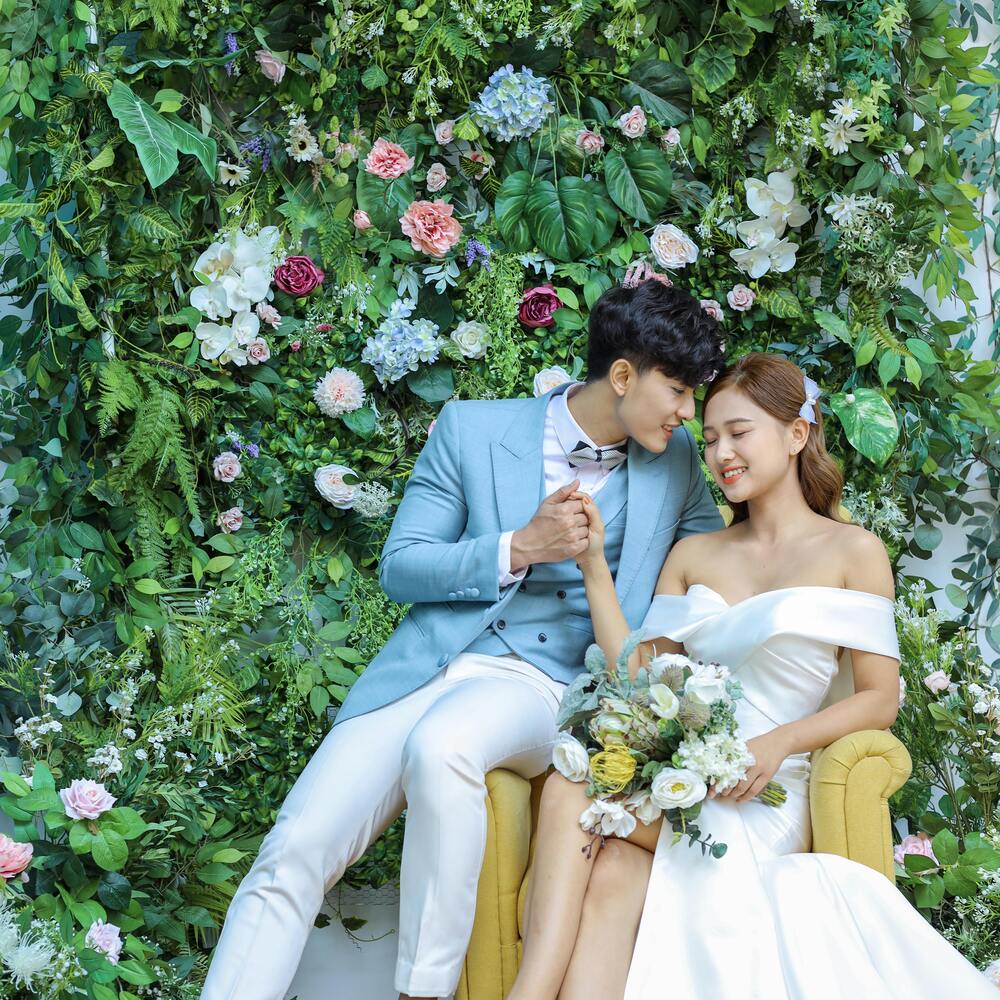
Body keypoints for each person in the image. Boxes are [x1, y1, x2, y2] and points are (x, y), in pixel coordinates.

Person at [200, 279, 726, 1000]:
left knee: (445, 744)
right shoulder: (471, 427)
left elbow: (718, 572)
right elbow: (402, 565)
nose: (687, 410)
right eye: (678, 389)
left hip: (546, 688)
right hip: (430, 665)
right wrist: (519, 545)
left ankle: (423, 991)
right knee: (293, 849)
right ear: (626, 376)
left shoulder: (677, 463)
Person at [509, 352, 995, 1000]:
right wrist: (593, 564)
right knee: (610, 864)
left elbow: (881, 699)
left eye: (739, 432)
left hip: (764, 792)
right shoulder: (695, 554)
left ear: (797, 435)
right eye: (709, 439)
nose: (720, 453)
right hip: (687, 778)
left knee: (579, 795)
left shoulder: (852, 552)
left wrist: (782, 742)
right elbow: (635, 674)